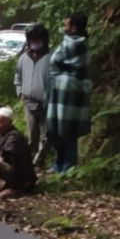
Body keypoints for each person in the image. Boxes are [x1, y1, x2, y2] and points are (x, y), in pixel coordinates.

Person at [46, 13, 92, 173]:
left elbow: (56, 61)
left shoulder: (77, 44)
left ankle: (69, 165)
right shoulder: (69, 42)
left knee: (69, 131)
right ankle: (59, 162)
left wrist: (61, 69)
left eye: (66, 25)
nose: (63, 28)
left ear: (73, 28)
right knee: (58, 130)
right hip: (61, 91)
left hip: (71, 93)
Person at [14, 23, 52, 167]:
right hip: (28, 102)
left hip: (45, 104)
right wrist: (20, 92)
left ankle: (40, 161)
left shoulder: (50, 58)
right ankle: (29, 162)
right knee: (32, 136)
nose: (35, 42)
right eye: (32, 39)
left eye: (38, 39)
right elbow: (18, 77)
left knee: (45, 136)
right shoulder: (24, 58)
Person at [0, 106, 37, 197]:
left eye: (0, 121)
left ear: (9, 122)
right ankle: (10, 184)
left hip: (24, 177)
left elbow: (9, 157)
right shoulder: (2, 133)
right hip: (15, 170)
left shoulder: (14, 137)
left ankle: (18, 188)